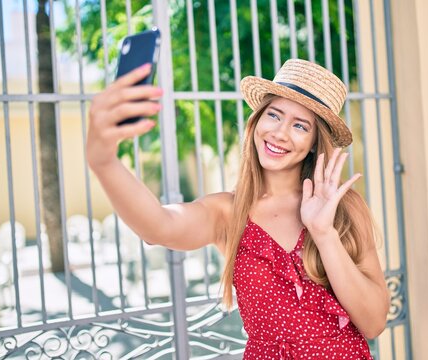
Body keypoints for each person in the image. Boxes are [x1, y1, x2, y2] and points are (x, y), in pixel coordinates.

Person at [87, 59, 389, 359]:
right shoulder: (228, 211)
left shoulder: (345, 209)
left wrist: (324, 234)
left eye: (300, 125)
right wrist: (104, 161)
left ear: (313, 142)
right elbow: (159, 226)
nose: (281, 133)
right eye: (274, 115)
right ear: (257, 121)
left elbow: (374, 323)